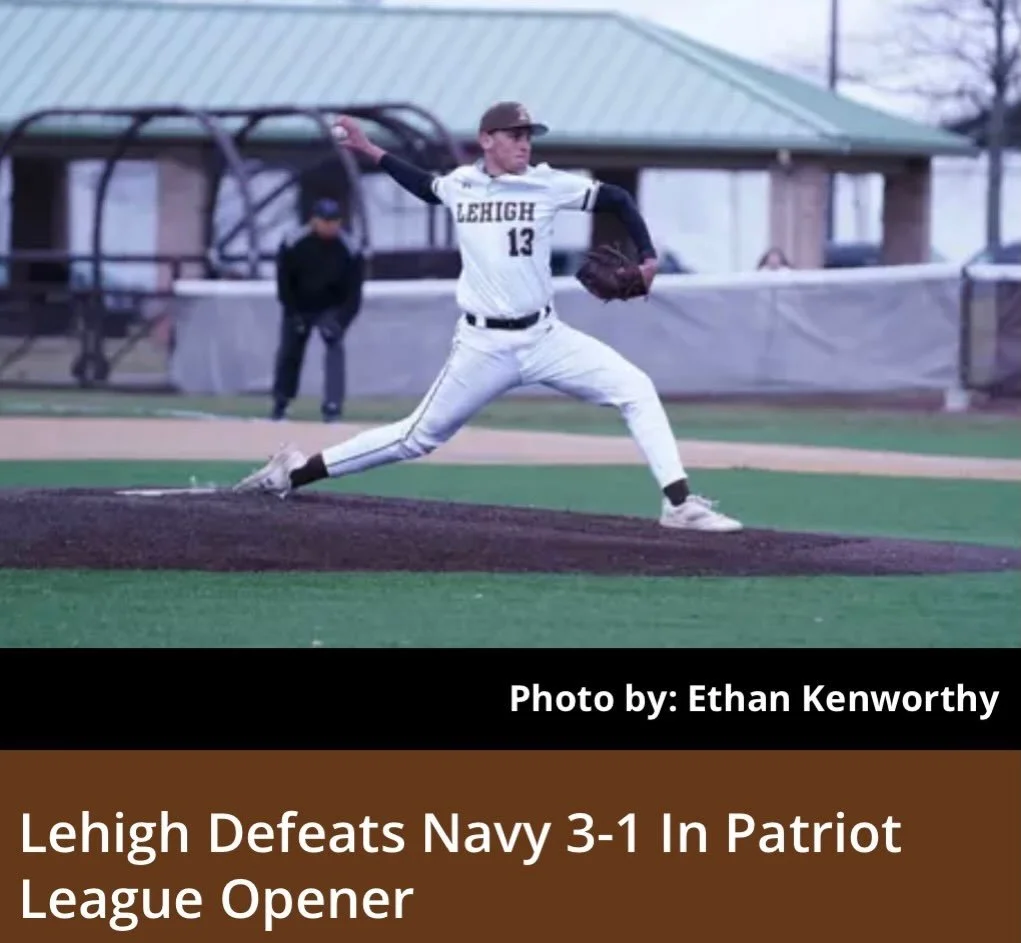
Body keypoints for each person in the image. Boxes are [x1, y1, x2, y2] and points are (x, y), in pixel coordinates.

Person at [235, 101, 742, 532]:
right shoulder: (461, 185)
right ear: (487, 140)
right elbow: (422, 185)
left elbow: (618, 198)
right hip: (483, 347)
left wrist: (649, 257)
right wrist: (370, 151)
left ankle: (679, 505)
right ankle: (293, 473)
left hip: (546, 338)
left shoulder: (546, 185)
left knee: (636, 388)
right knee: (416, 438)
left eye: (529, 135)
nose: (525, 143)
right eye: (515, 135)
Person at [271, 197, 364, 422]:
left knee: (334, 348)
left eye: (334, 221)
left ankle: (332, 406)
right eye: (325, 220)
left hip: (331, 306)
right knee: (290, 351)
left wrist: (340, 322)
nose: (330, 226)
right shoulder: (294, 243)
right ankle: (281, 403)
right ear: (314, 220)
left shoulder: (349, 248)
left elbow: (354, 294)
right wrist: (293, 314)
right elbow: (284, 282)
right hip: (299, 304)